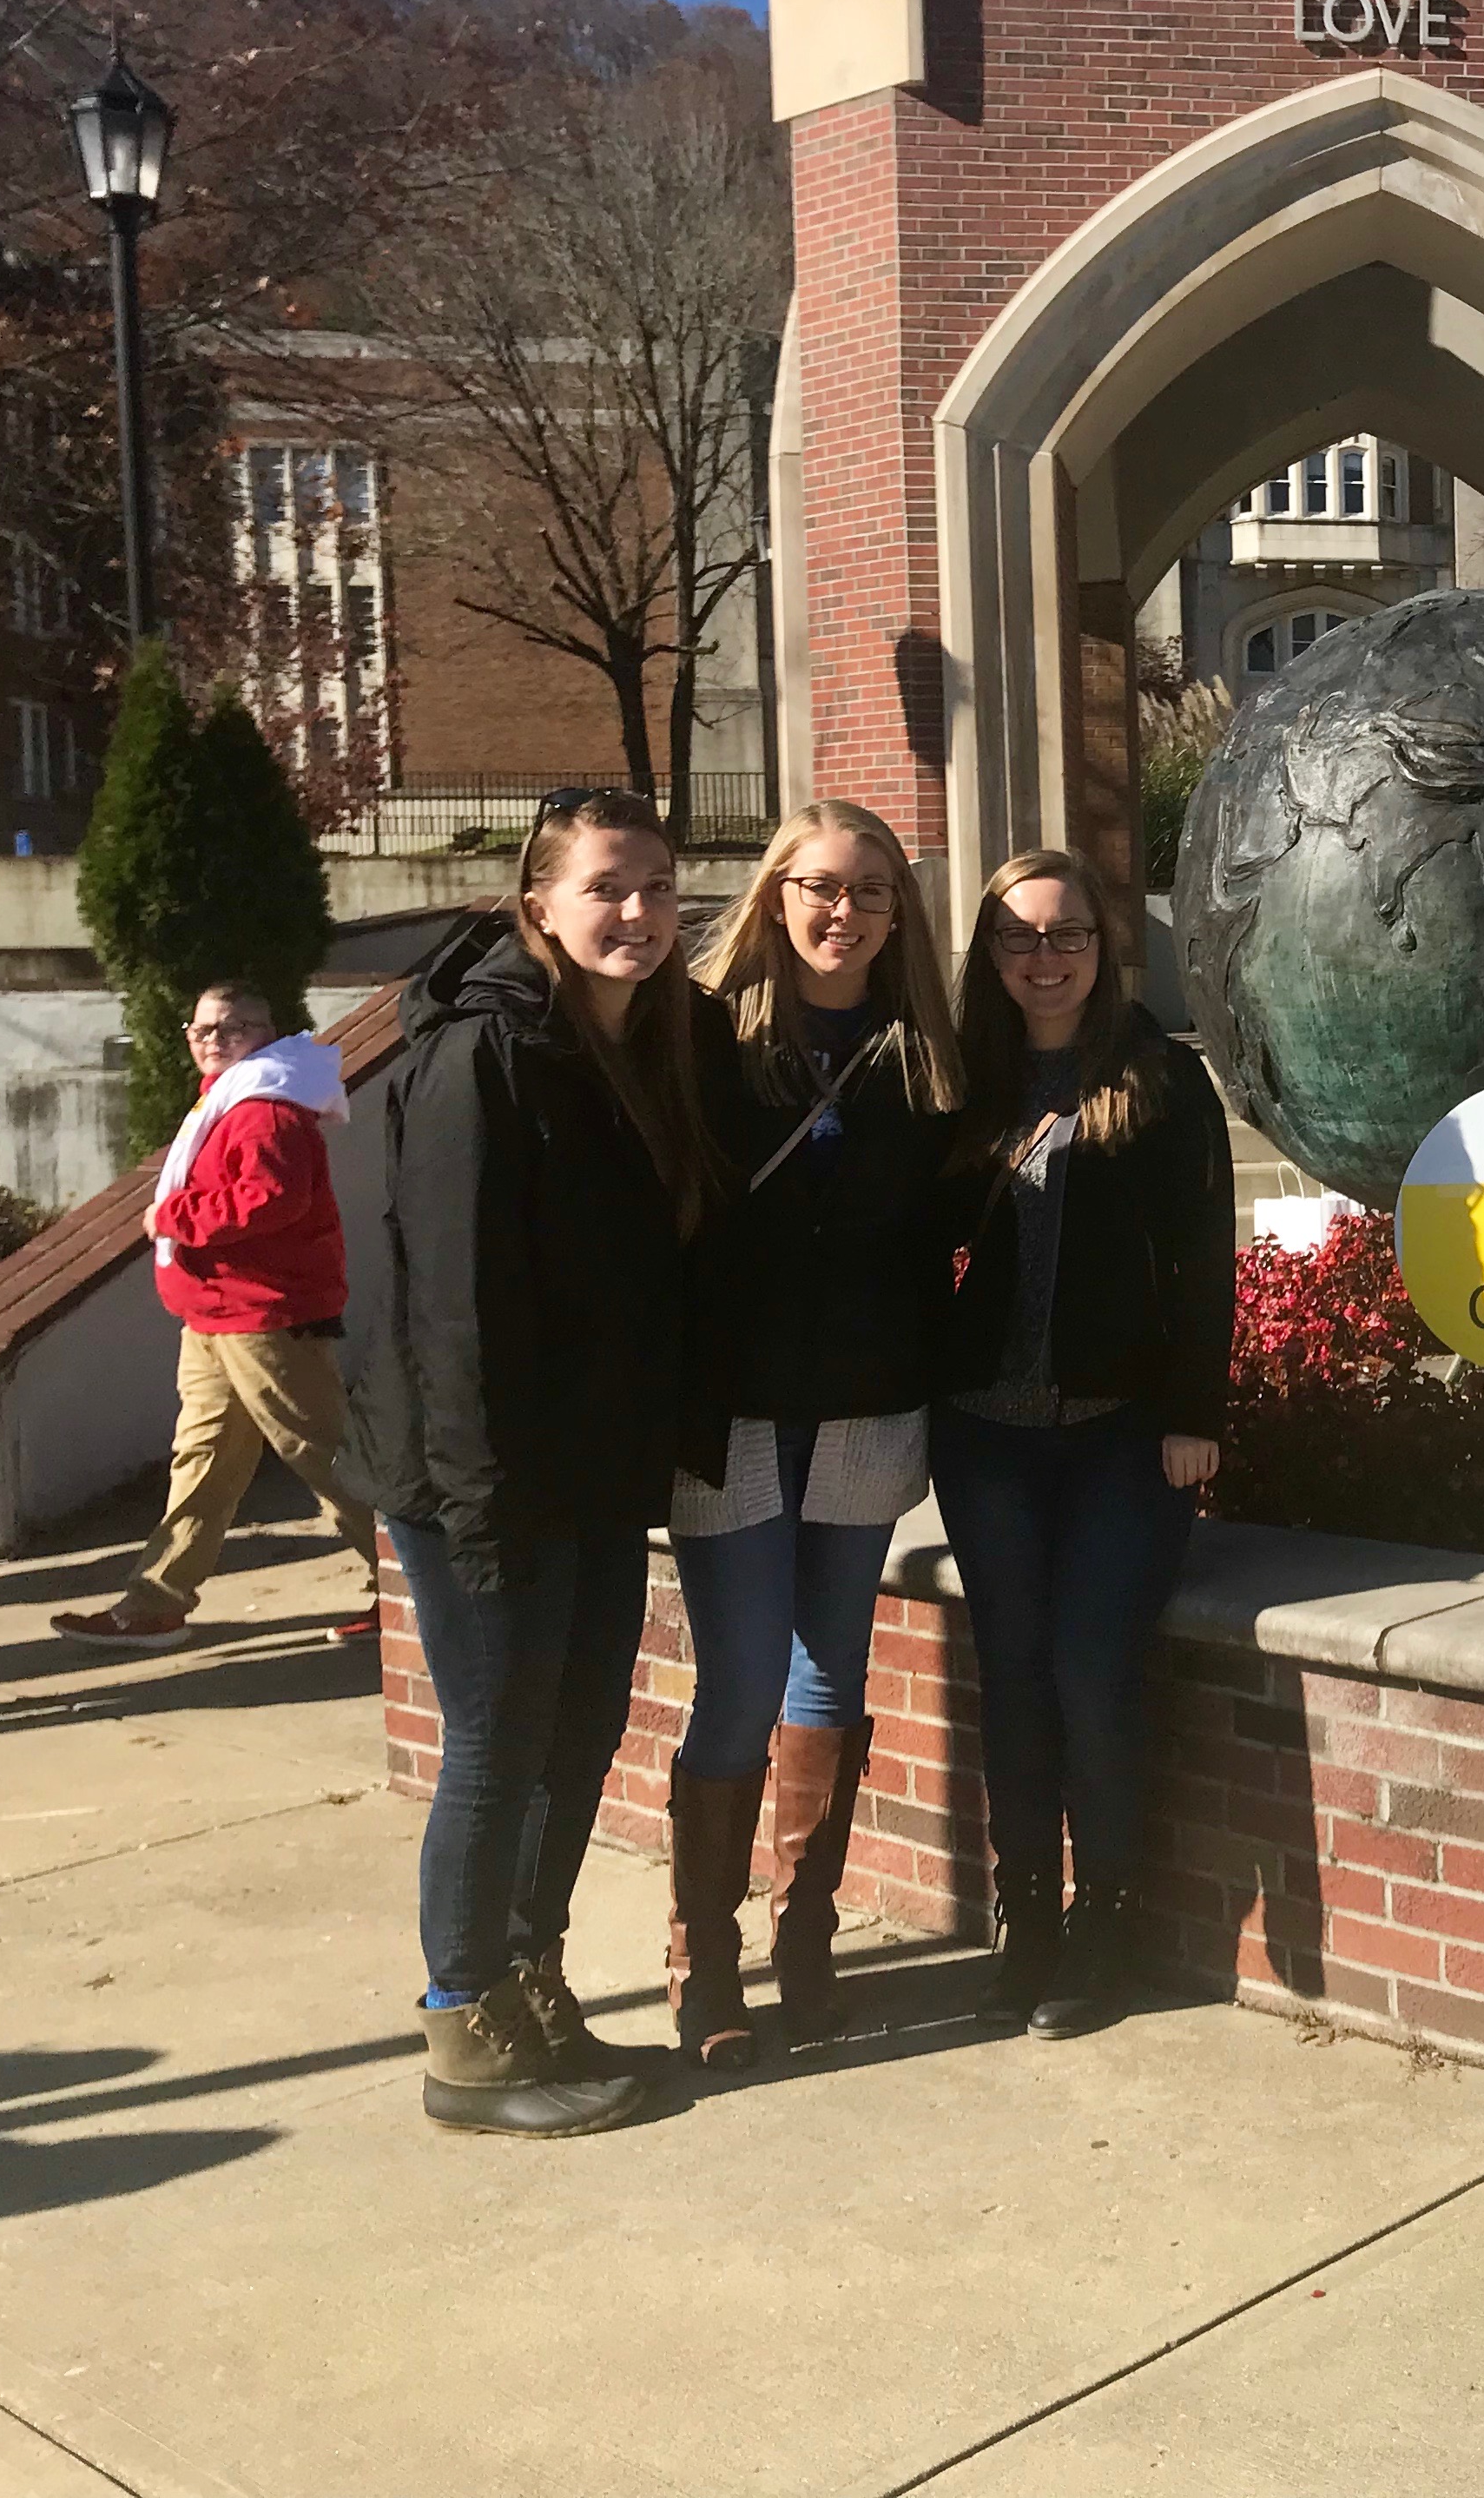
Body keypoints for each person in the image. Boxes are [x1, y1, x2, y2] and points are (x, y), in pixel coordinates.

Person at [356, 790, 721, 2138]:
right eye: (608, 888)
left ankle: (529, 1980)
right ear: (539, 909)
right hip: (485, 1482)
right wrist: (482, 1505)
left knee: (577, 1737)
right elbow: (450, 1308)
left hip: (591, 1473)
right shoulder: (482, 1059)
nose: (638, 913)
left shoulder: (637, 1049)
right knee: (498, 1748)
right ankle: (463, 2030)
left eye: (659, 888)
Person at [661, 802, 962, 2068]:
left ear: (901, 915)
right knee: (736, 1685)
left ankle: (806, 1940)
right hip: (731, 1413)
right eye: (823, 886)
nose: (846, 912)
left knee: (829, 1673)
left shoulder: (927, 1054)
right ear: (775, 894)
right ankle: (704, 1962)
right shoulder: (705, 1039)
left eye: (873, 893)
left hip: (868, 1405)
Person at [931, 849, 1233, 2041]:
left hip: (1120, 1439)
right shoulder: (962, 1080)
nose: (1043, 957)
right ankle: (1027, 1917)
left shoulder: (1158, 1077)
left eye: (1067, 935)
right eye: (1018, 937)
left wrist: (1195, 1418)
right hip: (986, 1439)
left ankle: (1102, 1915)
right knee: (1011, 1680)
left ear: (1105, 952)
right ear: (988, 955)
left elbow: (1205, 1256)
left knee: (1092, 1677)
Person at [53, 982, 380, 1654]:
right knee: (204, 1460)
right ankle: (155, 1603)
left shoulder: (266, 1108)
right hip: (216, 1316)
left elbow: (270, 1201)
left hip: (262, 1316)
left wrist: (172, 1218)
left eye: (234, 1027)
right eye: (203, 1029)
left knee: (326, 1456)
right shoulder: (232, 1100)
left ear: (267, 1034)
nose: (214, 1039)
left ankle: (424, 1589)